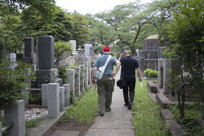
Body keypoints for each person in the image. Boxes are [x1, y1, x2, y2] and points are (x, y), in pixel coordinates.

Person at [92, 46, 121, 116]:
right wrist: (115, 72)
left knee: (101, 94)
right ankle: (107, 108)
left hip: (101, 78)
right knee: (109, 93)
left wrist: (94, 78)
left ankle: (101, 110)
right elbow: (118, 63)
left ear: (103, 50)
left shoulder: (99, 58)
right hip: (109, 78)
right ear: (109, 51)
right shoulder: (112, 58)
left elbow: (94, 69)